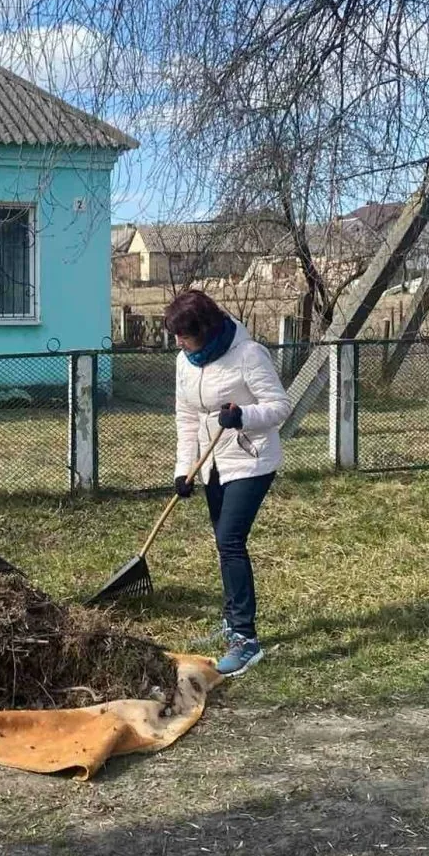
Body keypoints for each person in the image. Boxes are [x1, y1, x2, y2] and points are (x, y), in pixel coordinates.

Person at [165, 290, 290, 677]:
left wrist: (243, 416)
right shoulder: (184, 362)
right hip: (212, 464)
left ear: (206, 329)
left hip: (250, 461)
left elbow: (280, 406)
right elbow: (186, 417)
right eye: (176, 336)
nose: (179, 342)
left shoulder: (248, 354)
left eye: (185, 335)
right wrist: (183, 469)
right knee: (223, 542)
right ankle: (230, 621)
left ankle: (246, 639)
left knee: (230, 541)